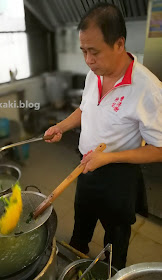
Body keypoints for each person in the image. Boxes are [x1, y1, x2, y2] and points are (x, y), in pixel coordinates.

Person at [44, 3, 162, 269]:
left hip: (118, 175)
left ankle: (114, 270)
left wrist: (108, 158)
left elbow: (159, 148)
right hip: (85, 166)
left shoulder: (149, 89)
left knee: (116, 235)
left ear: (119, 44)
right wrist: (61, 126)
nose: (88, 60)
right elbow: (86, 108)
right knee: (81, 221)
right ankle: (74, 259)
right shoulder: (93, 73)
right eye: (84, 51)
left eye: (94, 52)